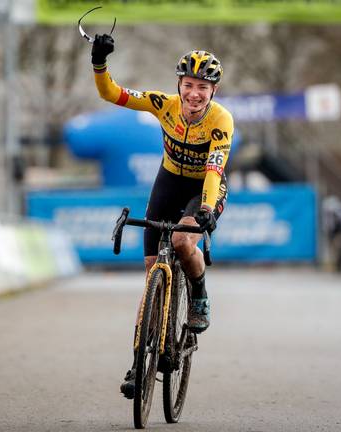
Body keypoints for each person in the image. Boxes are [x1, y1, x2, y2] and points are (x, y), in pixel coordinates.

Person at [90, 34, 234, 398]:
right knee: (152, 272)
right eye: (189, 85)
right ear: (179, 86)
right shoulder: (163, 105)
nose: (194, 94)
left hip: (203, 188)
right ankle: (139, 363)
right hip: (168, 181)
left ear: (213, 90)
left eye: (203, 87)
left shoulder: (221, 121)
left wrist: (205, 210)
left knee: (183, 240)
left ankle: (199, 294)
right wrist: (99, 63)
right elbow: (113, 94)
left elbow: (215, 170)